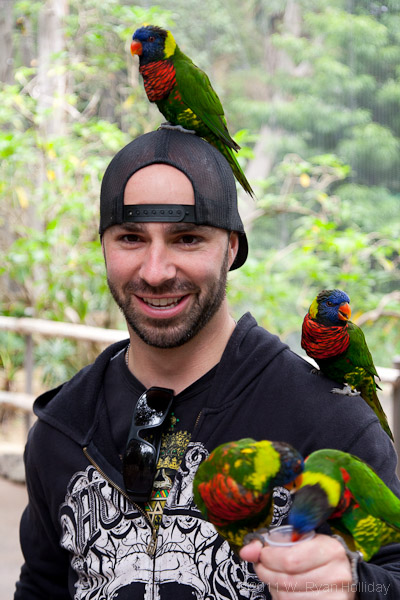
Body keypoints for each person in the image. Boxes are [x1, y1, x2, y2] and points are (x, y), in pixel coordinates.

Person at [15, 126, 400, 600]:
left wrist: (353, 585)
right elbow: (42, 586)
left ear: (232, 247)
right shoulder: (63, 428)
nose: (156, 272)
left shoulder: (332, 425)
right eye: (131, 237)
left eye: (187, 238)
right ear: (104, 246)